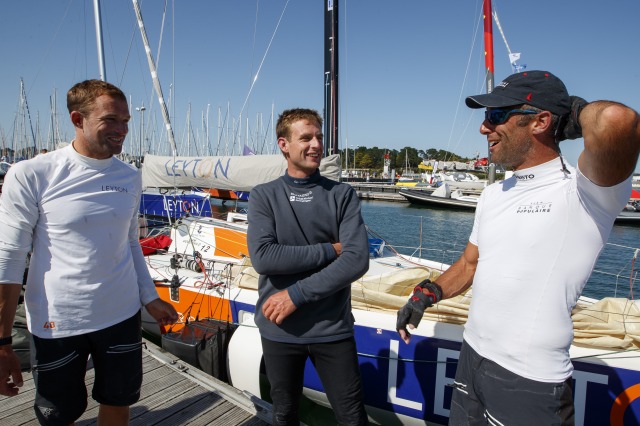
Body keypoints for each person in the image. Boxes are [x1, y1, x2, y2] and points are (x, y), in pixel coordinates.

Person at [396, 70, 640, 425]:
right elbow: (469, 263)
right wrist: (426, 293)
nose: (483, 128)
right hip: (473, 357)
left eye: (496, 116)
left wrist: (570, 114)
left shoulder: (583, 194)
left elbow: (618, 121)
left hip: (529, 381)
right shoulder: (494, 194)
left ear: (540, 121)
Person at [0, 79, 178, 425]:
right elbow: (9, 258)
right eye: (110, 120)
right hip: (58, 321)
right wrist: (2, 341)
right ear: (77, 119)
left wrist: (150, 297)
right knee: (58, 414)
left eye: (126, 120)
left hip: (121, 315)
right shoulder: (32, 174)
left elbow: (128, 242)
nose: (122, 129)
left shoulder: (129, 176)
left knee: (118, 400)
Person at [247, 108, 370, 425]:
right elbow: (264, 258)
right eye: (306, 137)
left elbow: (357, 259)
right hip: (279, 329)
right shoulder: (264, 196)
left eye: (319, 137)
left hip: (332, 328)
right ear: (284, 144)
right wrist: (331, 249)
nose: (316, 144)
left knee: (352, 417)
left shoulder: (341, 195)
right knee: (285, 412)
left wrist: (296, 294)